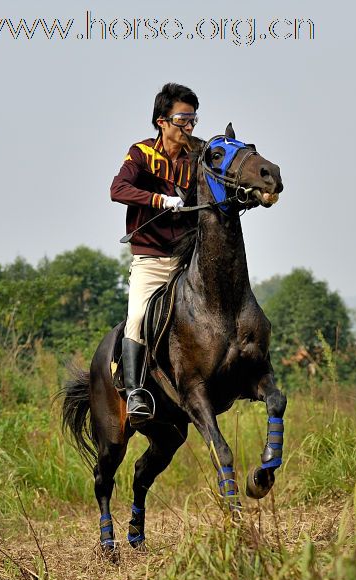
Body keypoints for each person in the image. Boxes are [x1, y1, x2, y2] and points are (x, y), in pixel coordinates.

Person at [110, 82, 199, 424]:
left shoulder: (196, 159)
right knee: (136, 319)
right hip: (151, 260)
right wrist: (159, 200)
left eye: (193, 119)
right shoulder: (141, 153)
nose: (189, 127)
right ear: (162, 121)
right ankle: (134, 393)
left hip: (186, 261)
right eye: (182, 119)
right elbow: (117, 189)